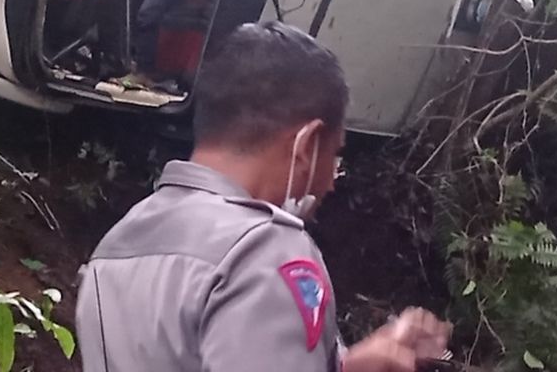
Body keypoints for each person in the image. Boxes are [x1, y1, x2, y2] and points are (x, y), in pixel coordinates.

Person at [76, 22, 451, 372]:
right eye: (335, 156)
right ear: (305, 145)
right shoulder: (266, 253)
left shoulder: (115, 246)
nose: (331, 183)